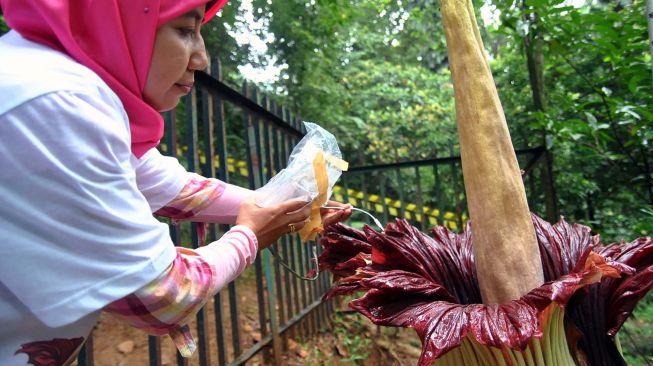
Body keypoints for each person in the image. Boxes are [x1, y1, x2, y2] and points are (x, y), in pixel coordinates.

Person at [0, 1, 352, 365]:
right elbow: (165, 297)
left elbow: (174, 188)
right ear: (115, 21)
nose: (201, 58)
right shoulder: (60, 104)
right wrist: (251, 235)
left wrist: (289, 206)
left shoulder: (62, 86)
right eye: (185, 30)